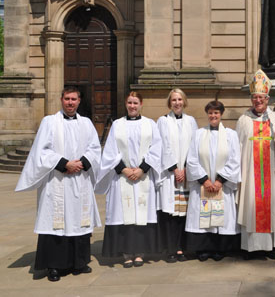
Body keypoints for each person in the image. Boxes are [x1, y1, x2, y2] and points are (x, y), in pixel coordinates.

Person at [15, 86, 101, 282]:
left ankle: (79, 263)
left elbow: (95, 148)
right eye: (67, 99)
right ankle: (54, 266)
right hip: (56, 180)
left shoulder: (86, 123)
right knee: (56, 222)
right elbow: (41, 151)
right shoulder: (49, 122)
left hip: (80, 180)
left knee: (78, 221)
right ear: (61, 100)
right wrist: (65, 163)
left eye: (74, 99)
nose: (70, 102)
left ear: (79, 101)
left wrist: (82, 162)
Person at [97, 92, 162, 268]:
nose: (132, 106)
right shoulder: (117, 125)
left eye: (135, 103)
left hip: (143, 177)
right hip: (122, 178)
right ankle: (126, 254)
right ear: (126, 104)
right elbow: (109, 151)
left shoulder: (150, 124)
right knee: (123, 216)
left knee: (141, 216)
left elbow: (157, 149)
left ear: (141, 104)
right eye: (129, 103)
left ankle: (140, 253)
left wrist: (142, 169)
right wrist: (124, 170)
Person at [236, 69, 275, 259]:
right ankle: (250, 248)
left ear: (268, 99)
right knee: (251, 205)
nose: (258, 101)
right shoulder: (243, 120)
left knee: (271, 207)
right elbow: (237, 148)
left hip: (270, 173)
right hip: (250, 173)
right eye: (255, 98)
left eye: (262, 98)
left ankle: (271, 247)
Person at [185, 100, 241, 261]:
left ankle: (220, 249)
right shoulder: (199, 134)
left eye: (216, 113)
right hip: (204, 185)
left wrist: (219, 181)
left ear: (221, 114)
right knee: (202, 217)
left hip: (221, 186)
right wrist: (204, 180)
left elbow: (234, 159)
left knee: (221, 217)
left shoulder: (231, 135)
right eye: (210, 113)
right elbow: (192, 159)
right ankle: (203, 248)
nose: (213, 116)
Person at [156, 89, 198, 262]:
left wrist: (187, 168)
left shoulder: (191, 121)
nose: (177, 103)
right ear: (169, 103)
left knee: (186, 213)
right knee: (171, 214)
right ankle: (171, 249)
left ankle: (184, 247)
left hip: (187, 174)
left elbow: (195, 146)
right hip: (170, 175)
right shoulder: (162, 121)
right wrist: (175, 169)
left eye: (180, 99)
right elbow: (162, 146)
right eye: (174, 100)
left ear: (184, 101)